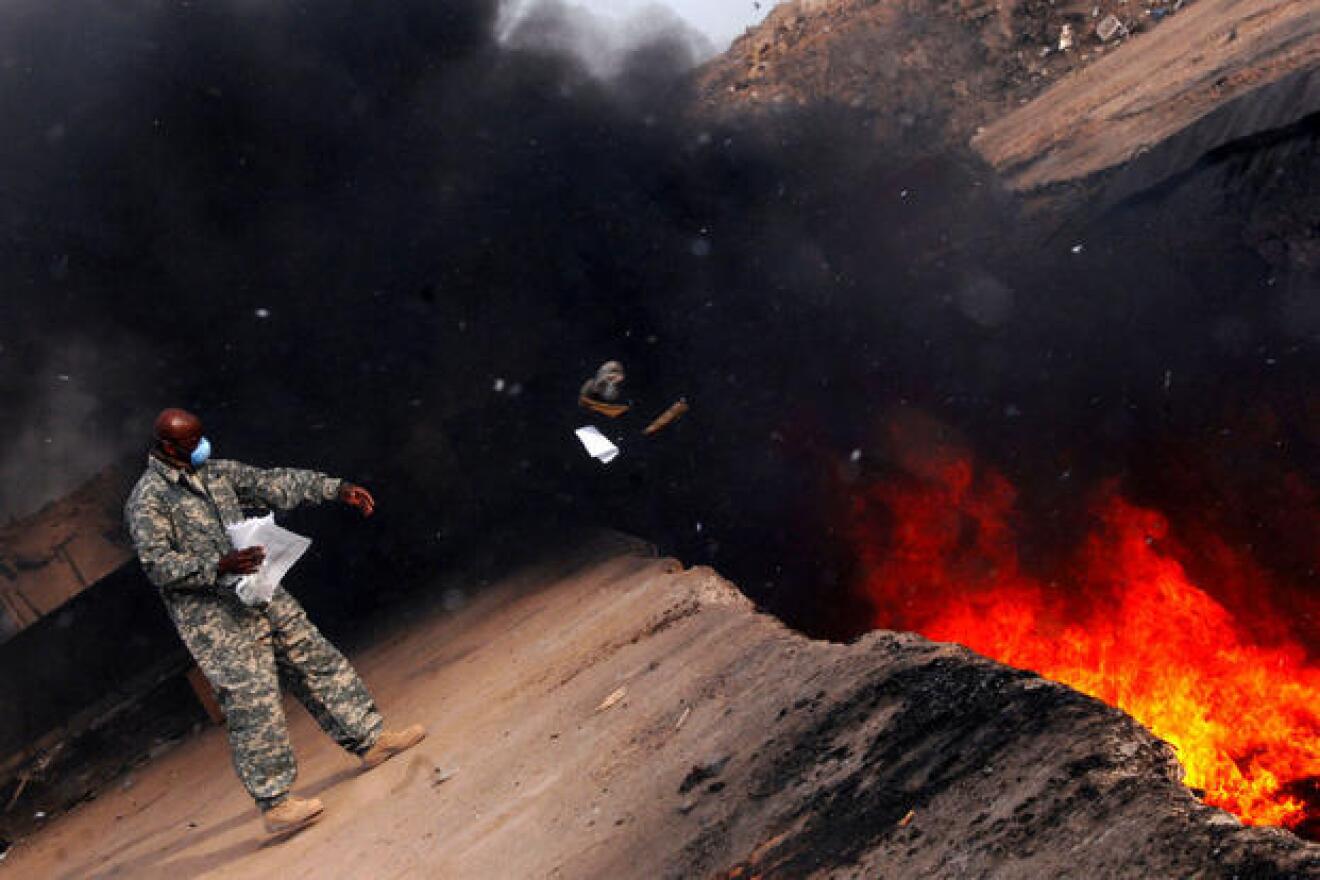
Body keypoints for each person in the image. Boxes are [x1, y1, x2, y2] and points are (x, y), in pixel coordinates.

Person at [124, 408, 425, 835]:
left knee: (318, 662)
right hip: (216, 621)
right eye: (193, 442)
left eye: (202, 437)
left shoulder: (215, 472)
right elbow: (158, 566)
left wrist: (335, 489)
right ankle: (276, 804)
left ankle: (370, 740)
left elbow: (272, 483)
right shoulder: (147, 501)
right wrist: (219, 564)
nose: (203, 446)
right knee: (254, 706)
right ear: (167, 447)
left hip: (262, 594)